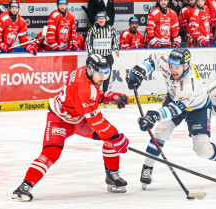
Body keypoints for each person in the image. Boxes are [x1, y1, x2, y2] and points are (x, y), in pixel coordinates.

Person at [11, 54, 130, 202]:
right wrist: (116, 136)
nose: (102, 78)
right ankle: (25, 186)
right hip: (59, 120)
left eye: (106, 73)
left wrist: (107, 96)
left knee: (110, 138)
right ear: (91, 70)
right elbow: (96, 121)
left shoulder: (84, 72)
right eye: (100, 73)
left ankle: (112, 176)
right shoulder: (85, 87)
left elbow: (90, 98)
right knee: (52, 151)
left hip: (79, 119)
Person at [126, 48, 216, 189]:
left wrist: (155, 115)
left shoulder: (189, 83)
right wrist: (141, 70)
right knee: (161, 132)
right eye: (171, 66)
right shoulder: (168, 61)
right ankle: (148, 167)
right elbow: (152, 60)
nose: (173, 70)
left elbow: (176, 109)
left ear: (186, 65)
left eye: (177, 67)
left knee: (202, 149)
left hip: (198, 108)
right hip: (174, 98)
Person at [86, 11, 119, 95]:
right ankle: (95, 94)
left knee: (106, 77)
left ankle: (105, 95)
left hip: (107, 57)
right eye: (99, 18)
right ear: (96, 19)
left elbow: (115, 41)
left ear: (105, 19)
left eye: (102, 18)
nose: (101, 20)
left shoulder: (111, 29)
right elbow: (88, 43)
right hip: (96, 58)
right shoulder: (92, 30)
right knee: (95, 77)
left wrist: (116, 49)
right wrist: (90, 55)